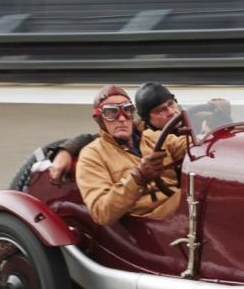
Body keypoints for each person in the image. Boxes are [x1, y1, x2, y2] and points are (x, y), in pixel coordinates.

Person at [73, 83, 187, 225]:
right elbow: (101, 213)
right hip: (145, 224)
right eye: (111, 112)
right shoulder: (92, 155)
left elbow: (189, 146)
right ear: (100, 119)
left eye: (127, 110)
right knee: (201, 198)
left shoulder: (153, 137)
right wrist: (138, 178)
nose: (121, 118)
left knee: (209, 190)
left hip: (175, 208)